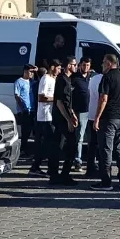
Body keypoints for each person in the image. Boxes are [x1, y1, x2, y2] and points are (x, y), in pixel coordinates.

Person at [91, 54, 120, 191]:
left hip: (109, 119)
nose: (102, 65)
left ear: (109, 63)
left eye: (103, 62)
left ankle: (106, 182)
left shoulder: (107, 78)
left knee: (106, 150)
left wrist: (97, 118)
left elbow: (103, 99)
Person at [49, 57, 79, 185]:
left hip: (67, 117)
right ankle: (55, 176)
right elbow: (60, 102)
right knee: (59, 147)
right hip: (61, 120)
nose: (76, 66)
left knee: (71, 147)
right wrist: (68, 119)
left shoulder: (69, 80)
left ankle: (64, 174)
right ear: (68, 66)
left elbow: (68, 102)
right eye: (74, 64)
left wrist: (73, 115)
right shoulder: (61, 80)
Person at [30, 59, 61, 175]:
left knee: (48, 143)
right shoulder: (45, 79)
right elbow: (41, 97)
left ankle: (40, 166)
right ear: (52, 67)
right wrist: (56, 99)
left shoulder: (54, 79)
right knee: (45, 143)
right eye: (58, 68)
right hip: (44, 116)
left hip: (51, 115)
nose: (59, 71)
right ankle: (35, 167)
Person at [71, 57, 92, 170]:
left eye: (88, 65)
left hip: (92, 111)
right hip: (80, 112)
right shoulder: (74, 78)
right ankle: (78, 160)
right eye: (84, 65)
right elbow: (70, 96)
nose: (86, 67)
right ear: (80, 65)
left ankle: (91, 162)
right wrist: (72, 112)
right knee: (79, 137)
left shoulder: (91, 77)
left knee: (91, 138)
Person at [85, 66, 104, 177]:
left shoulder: (93, 80)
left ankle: (90, 167)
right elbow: (103, 99)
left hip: (91, 114)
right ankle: (101, 168)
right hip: (100, 116)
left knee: (92, 144)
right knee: (101, 144)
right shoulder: (104, 80)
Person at [14, 64, 36, 156]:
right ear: (25, 71)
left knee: (33, 130)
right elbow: (17, 96)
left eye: (33, 72)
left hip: (33, 109)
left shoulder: (32, 82)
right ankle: (23, 149)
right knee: (25, 131)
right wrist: (22, 108)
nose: (31, 73)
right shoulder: (19, 81)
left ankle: (31, 150)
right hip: (24, 110)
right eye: (30, 71)